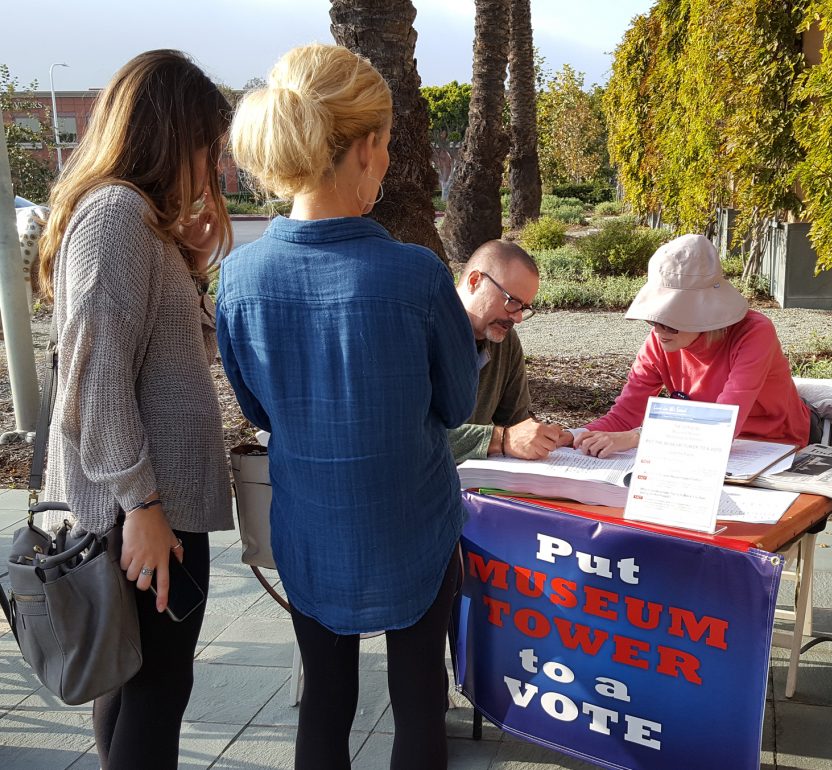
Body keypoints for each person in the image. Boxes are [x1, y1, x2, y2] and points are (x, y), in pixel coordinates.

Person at [217, 44, 478, 770]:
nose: (389, 163)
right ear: (365, 148)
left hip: (310, 524)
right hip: (414, 526)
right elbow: (458, 402)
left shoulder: (238, 278)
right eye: (388, 146)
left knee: (325, 706)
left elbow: (258, 407)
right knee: (421, 701)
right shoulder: (415, 274)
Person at [36, 50, 234, 769]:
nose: (209, 168)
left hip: (149, 509)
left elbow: (166, 356)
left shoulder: (132, 221)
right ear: (170, 136)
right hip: (147, 515)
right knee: (154, 692)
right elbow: (97, 380)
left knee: (132, 689)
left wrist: (190, 265)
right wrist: (141, 504)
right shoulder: (117, 215)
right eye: (206, 148)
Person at [575, 233, 816, 458]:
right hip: (697, 445)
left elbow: (722, 424)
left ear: (704, 313)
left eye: (671, 321)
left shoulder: (754, 333)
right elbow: (625, 414)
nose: (658, 329)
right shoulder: (660, 340)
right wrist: (573, 436)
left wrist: (635, 437)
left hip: (774, 444)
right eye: (654, 319)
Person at [449, 240, 570, 463]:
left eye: (524, 308)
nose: (516, 318)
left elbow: (516, 421)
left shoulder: (503, 339)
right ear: (475, 281)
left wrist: (545, 436)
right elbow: (408, 437)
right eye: (512, 302)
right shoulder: (421, 333)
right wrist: (501, 439)